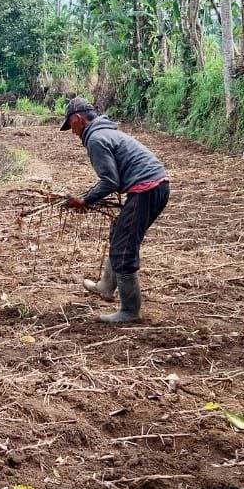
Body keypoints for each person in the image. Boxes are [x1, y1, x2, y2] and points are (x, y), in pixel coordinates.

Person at [61, 96, 169, 323]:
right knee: (119, 231)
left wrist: (84, 200)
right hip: (152, 186)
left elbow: (110, 181)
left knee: (124, 249)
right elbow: (117, 180)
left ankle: (130, 311)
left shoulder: (96, 139)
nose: (72, 132)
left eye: (71, 125)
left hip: (146, 189)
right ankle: (106, 286)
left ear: (79, 119)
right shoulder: (106, 133)